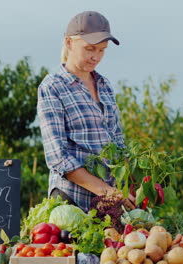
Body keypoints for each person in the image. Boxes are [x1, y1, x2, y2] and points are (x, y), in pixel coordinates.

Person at [37, 11, 135, 212]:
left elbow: (117, 141)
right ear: (69, 42)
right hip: (71, 201)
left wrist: (131, 184)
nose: (96, 56)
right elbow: (58, 157)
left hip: (108, 204)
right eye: (90, 49)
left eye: (102, 50)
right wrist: (108, 191)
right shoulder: (53, 86)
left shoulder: (104, 85)